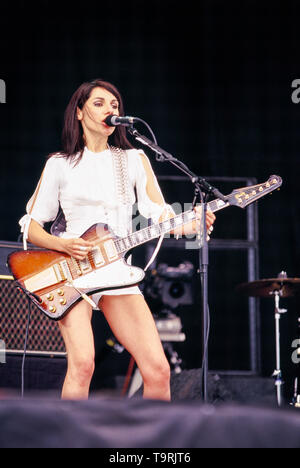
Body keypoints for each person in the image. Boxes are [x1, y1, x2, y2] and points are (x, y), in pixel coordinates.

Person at [19, 79, 216, 401]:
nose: (110, 110)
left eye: (114, 105)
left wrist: (191, 224)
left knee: (158, 370)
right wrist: (62, 245)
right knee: (82, 365)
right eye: (99, 103)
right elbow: (30, 226)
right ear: (80, 112)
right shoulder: (59, 164)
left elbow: (160, 215)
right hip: (72, 271)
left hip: (115, 270)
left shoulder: (134, 159)